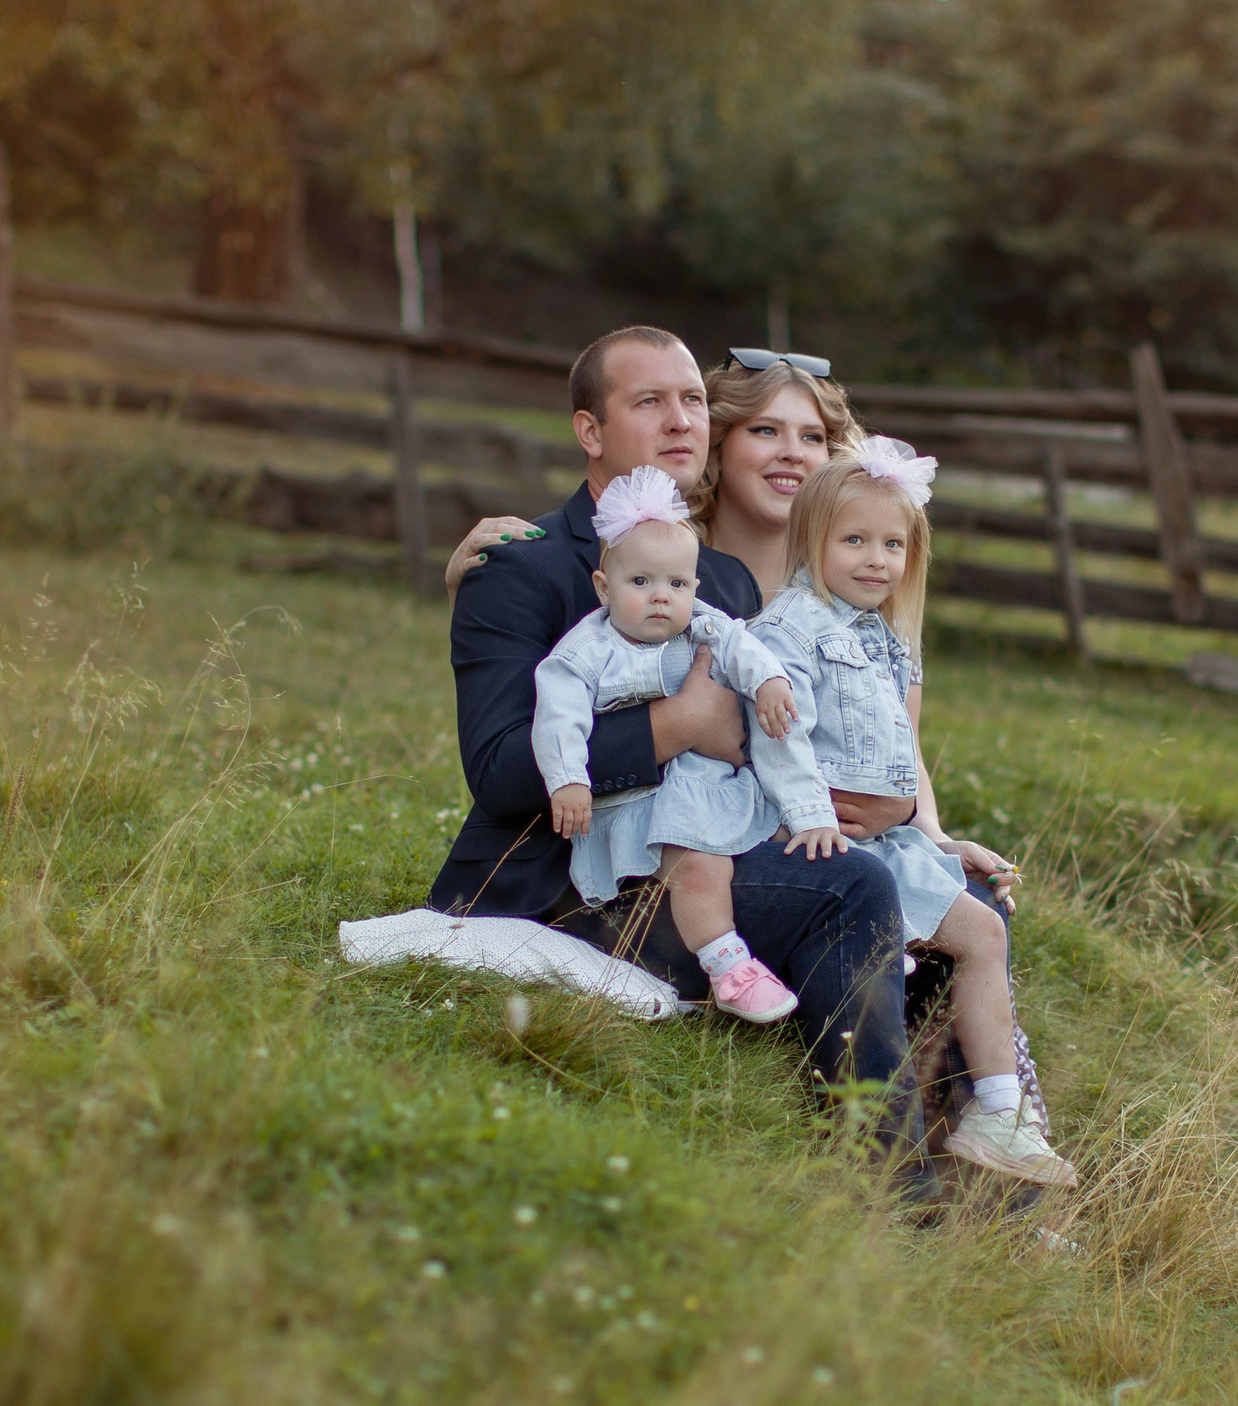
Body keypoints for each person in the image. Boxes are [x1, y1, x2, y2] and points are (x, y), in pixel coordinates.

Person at [428, 327, 927, 1182]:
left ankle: (938, 1135)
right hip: (569, 876)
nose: (681, 420)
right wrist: (682, 723)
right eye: (648, 401)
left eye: (693, 399)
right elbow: (504, 770)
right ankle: (894, 1182)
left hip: (703, 841)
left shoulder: (720, 579)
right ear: (591, 431)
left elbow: (772, 724)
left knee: (889, 876)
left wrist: (906, 812)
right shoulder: (522, 567)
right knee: (852, 886)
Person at [752, 442, 1077, 1189]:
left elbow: (906, 754)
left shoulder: (888, 642)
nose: (876, 559)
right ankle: (973, 1118)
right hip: (821, 839)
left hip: (893, 841)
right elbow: (776, 735)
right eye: (854, 541)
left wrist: (937, 835)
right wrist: (810, 813)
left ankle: (998, 1115)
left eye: (892, 544)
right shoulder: (788, 632)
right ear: (811, 541)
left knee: (987, 927)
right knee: (978, 935)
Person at [532, 465, 798, 1024]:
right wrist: (569, 781)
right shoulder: (587, 651)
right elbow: (559, 721)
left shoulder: (702, 625)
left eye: (676, 585)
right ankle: (728, 969)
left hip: (710, 787)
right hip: (643, 807)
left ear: (694, 589)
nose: (661, 598)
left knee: (790, 824)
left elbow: (741, 647)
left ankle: (884, 938)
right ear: (604, 587)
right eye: (641, 583)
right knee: (700, 867)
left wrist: (770, 681)